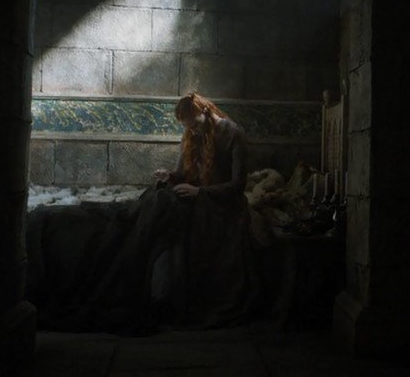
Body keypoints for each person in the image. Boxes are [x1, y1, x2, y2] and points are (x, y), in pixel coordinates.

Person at [25, 92, 263, 335]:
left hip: (220, 206)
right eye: (188, 127)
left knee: (167, 214)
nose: (192, 131)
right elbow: (182, 174)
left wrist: (200, 192)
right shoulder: (192, 135)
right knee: (155, 201)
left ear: (205, 111)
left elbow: (238, 185)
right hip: (193, 196)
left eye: (194, 125)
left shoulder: (233, 134)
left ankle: (154, 284)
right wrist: (170, 177)